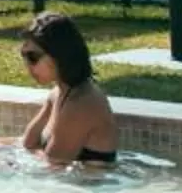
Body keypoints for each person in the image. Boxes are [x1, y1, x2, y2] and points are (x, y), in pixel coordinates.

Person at [17, 12, 118, 168]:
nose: (27, 65)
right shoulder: (58, 93)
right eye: (23, 55)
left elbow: (53, 166)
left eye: (33, 57)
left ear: (60, 55)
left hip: (89, 189)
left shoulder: (82, 104)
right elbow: (27, 144)